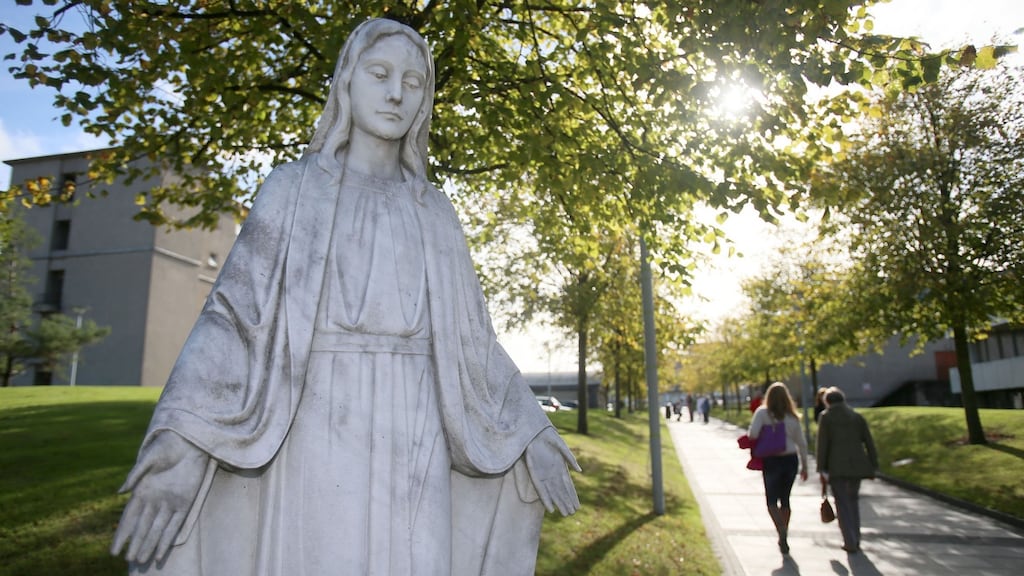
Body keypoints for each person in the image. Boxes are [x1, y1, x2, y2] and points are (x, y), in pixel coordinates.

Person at [110, 18, 580, 575]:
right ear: (346, 82)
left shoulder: (434, 212)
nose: (396, 92)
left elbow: (473, 342)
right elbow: (232, 321)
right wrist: (181, 446)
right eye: (379, 73)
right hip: (313, 420)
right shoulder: (291, 191)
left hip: (417, 429)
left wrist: (533, 431)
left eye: (414, 81)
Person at [748, 382, 809, 555]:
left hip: (771, 460)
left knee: (771, 501)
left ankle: (780, 529)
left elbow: (753, 434)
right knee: (786, 499)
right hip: (790, 459)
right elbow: (802, 443)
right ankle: (785, 532)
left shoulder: (762, 413)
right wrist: (805, 466)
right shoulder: (792, 416)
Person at [817, 386, 878, 554]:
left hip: (836, 467)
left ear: (827, 402)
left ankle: (849, 540)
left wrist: (821, 468)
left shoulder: (826, 418)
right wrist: (873, 465)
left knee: (842, 504)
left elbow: (822, 445)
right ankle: (856, 537)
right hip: (856, 466)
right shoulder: (856, 417)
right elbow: (869, 442)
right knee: (853, 502)